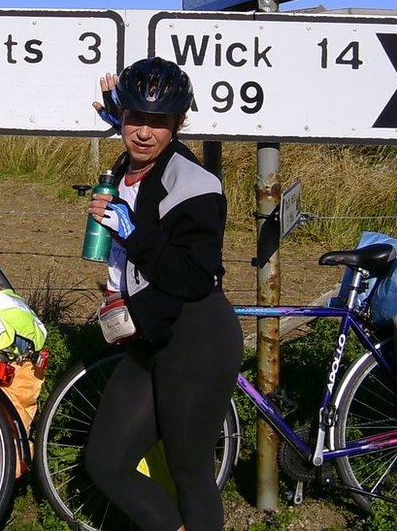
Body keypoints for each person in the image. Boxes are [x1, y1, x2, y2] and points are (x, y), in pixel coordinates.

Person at [84, 57, 243, 531]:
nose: (145, 132)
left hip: (197, 336)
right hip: (151, 335)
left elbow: (195, 276)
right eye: (136, 118)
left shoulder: (196, 184)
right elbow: (136, 141)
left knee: (190, 471)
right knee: (107, 462)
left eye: (160, 122)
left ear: (179, 124)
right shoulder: (130, 163)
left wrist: (134, 233)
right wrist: (122, 111)